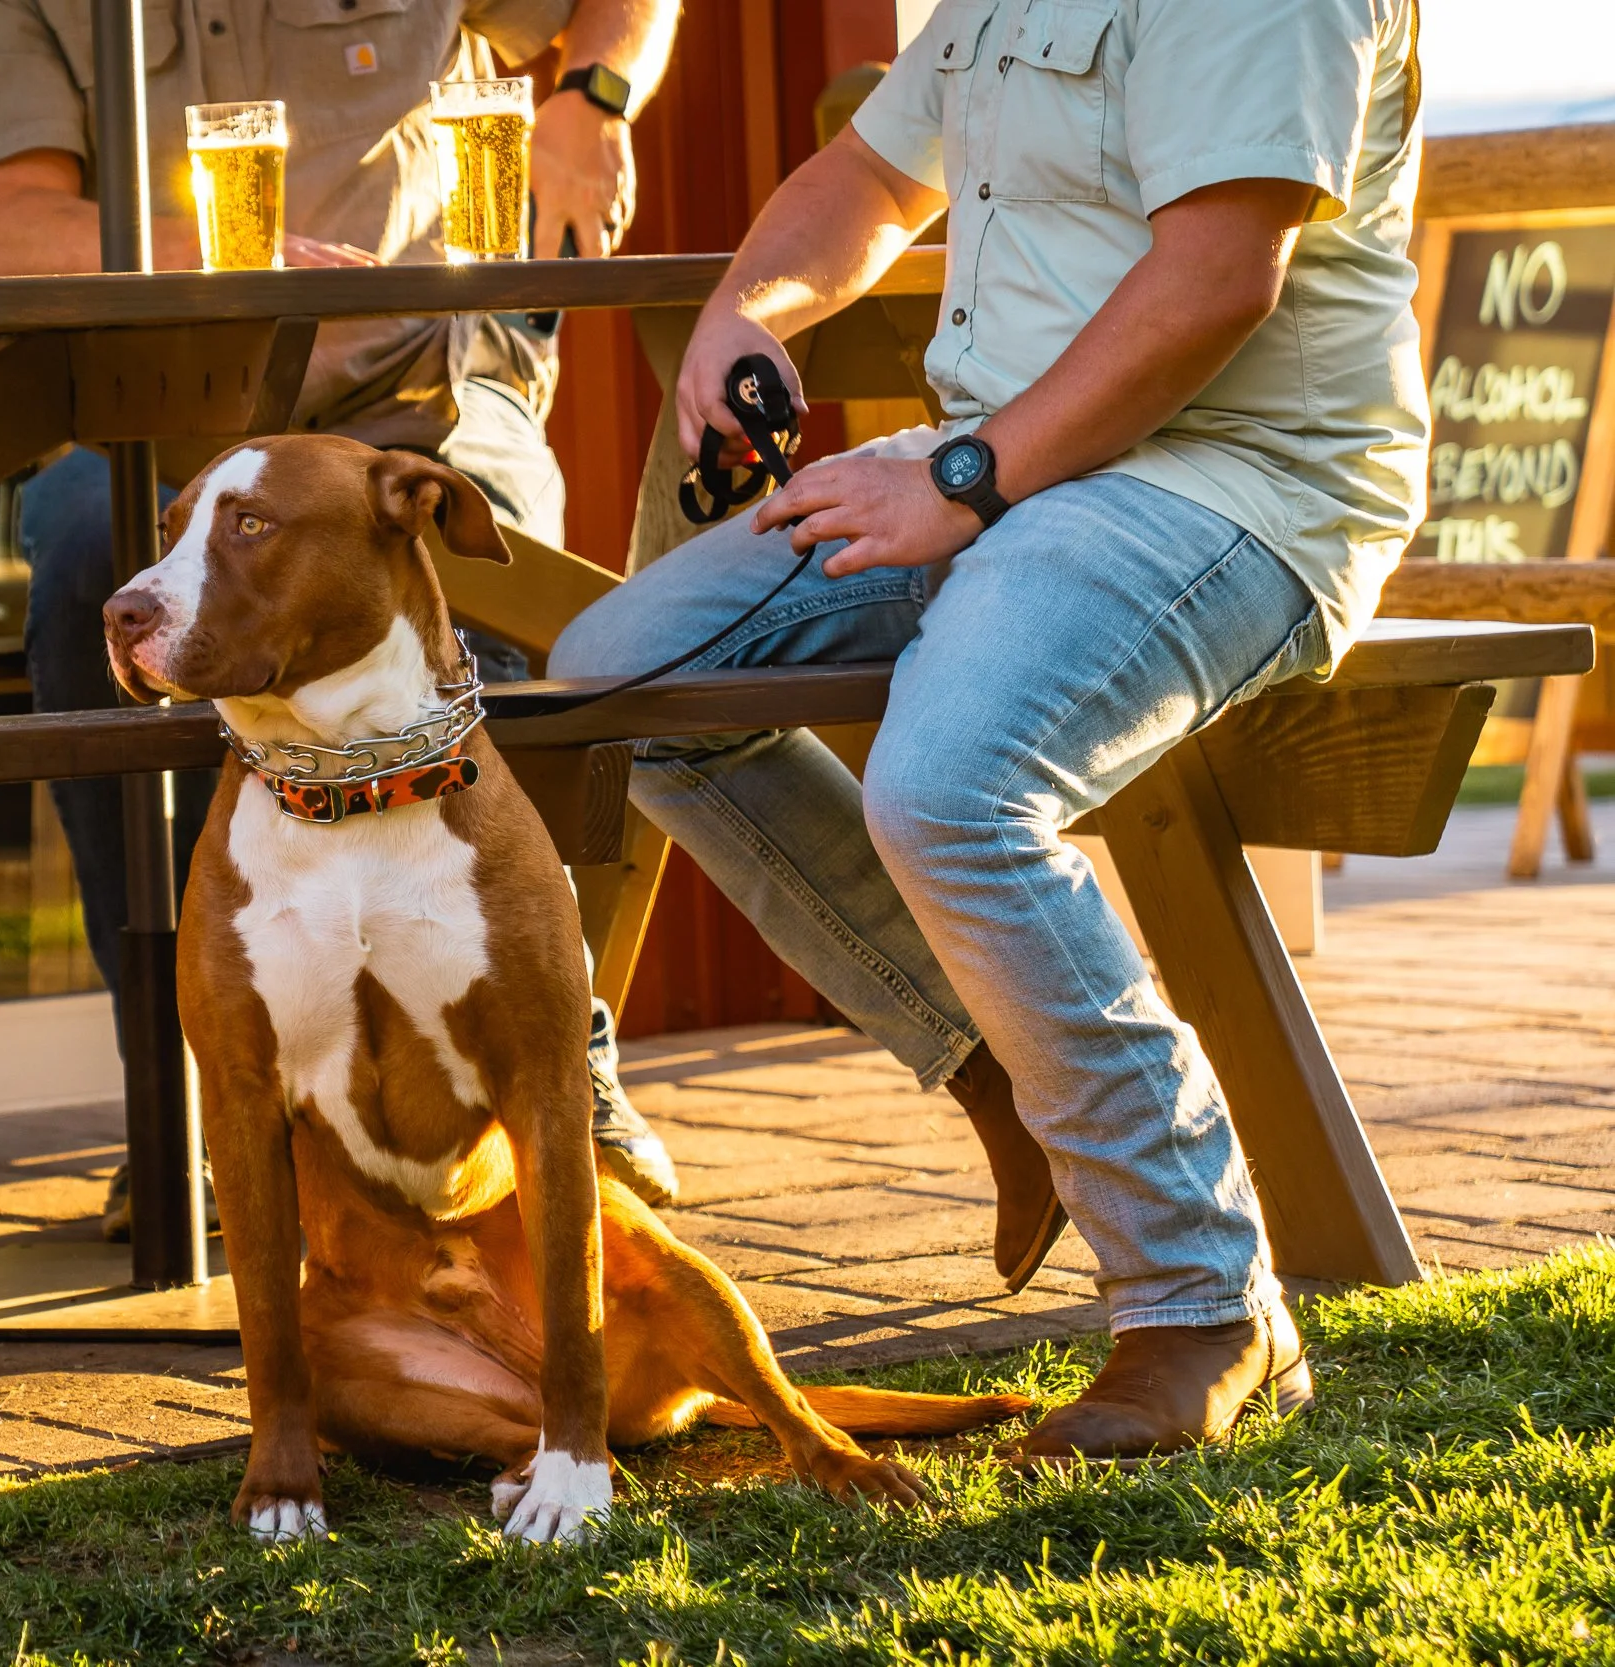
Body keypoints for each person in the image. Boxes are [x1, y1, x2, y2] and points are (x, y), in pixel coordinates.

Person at [553, 0, 1426, 1457]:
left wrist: (963, 475)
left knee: (953, 782)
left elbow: (1219, 276)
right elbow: (874, 180)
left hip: (1226, 483)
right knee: (623, 680)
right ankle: (1002, 1068)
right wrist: (749, 310)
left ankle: (1204, 1301)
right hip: (1014, 458)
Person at [0, 0, 695, 1224]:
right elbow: (10, 225)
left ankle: (562, 1051)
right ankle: (194, 1103)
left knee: (493, 567)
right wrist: (233, 255)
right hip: (180, 418)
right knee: (85, 543)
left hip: (424, 389)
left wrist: (589, 97)